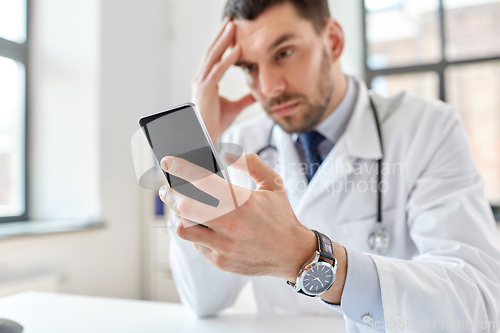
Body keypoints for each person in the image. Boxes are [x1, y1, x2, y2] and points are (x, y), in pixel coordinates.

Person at [158, 1, 500, 332]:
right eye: (249, 67)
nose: (268, 88)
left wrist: (304, 257)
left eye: (284, 53)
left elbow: (479, 303)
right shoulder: (239, 144)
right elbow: (203, 299)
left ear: (333, 41)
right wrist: (200, 146)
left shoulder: (427, 127)